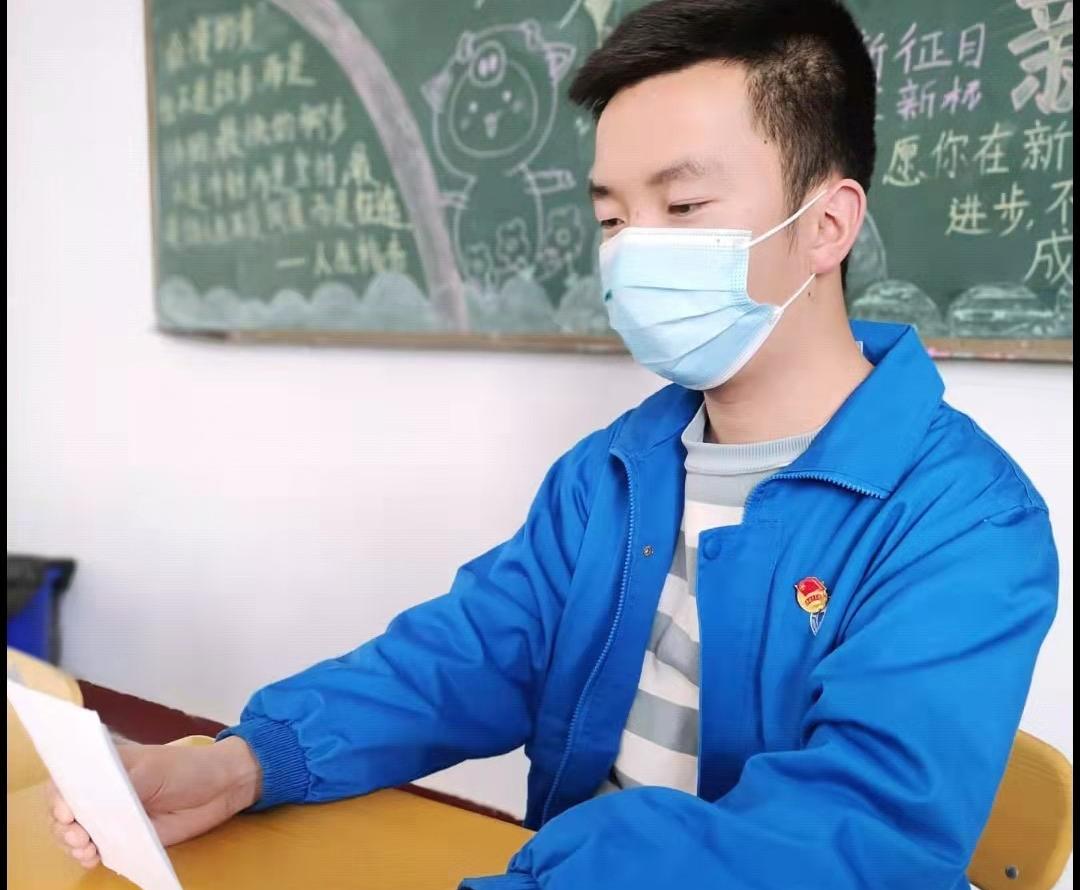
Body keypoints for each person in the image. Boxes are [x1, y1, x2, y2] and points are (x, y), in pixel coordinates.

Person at [50, 1, 1058, 887]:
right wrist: (244, 761)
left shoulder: (964, 522)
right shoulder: (613, 473)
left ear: (828, 223)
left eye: (683, 206)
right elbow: (466, 655)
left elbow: (852, 835)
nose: (633, 251)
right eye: (612, 218)